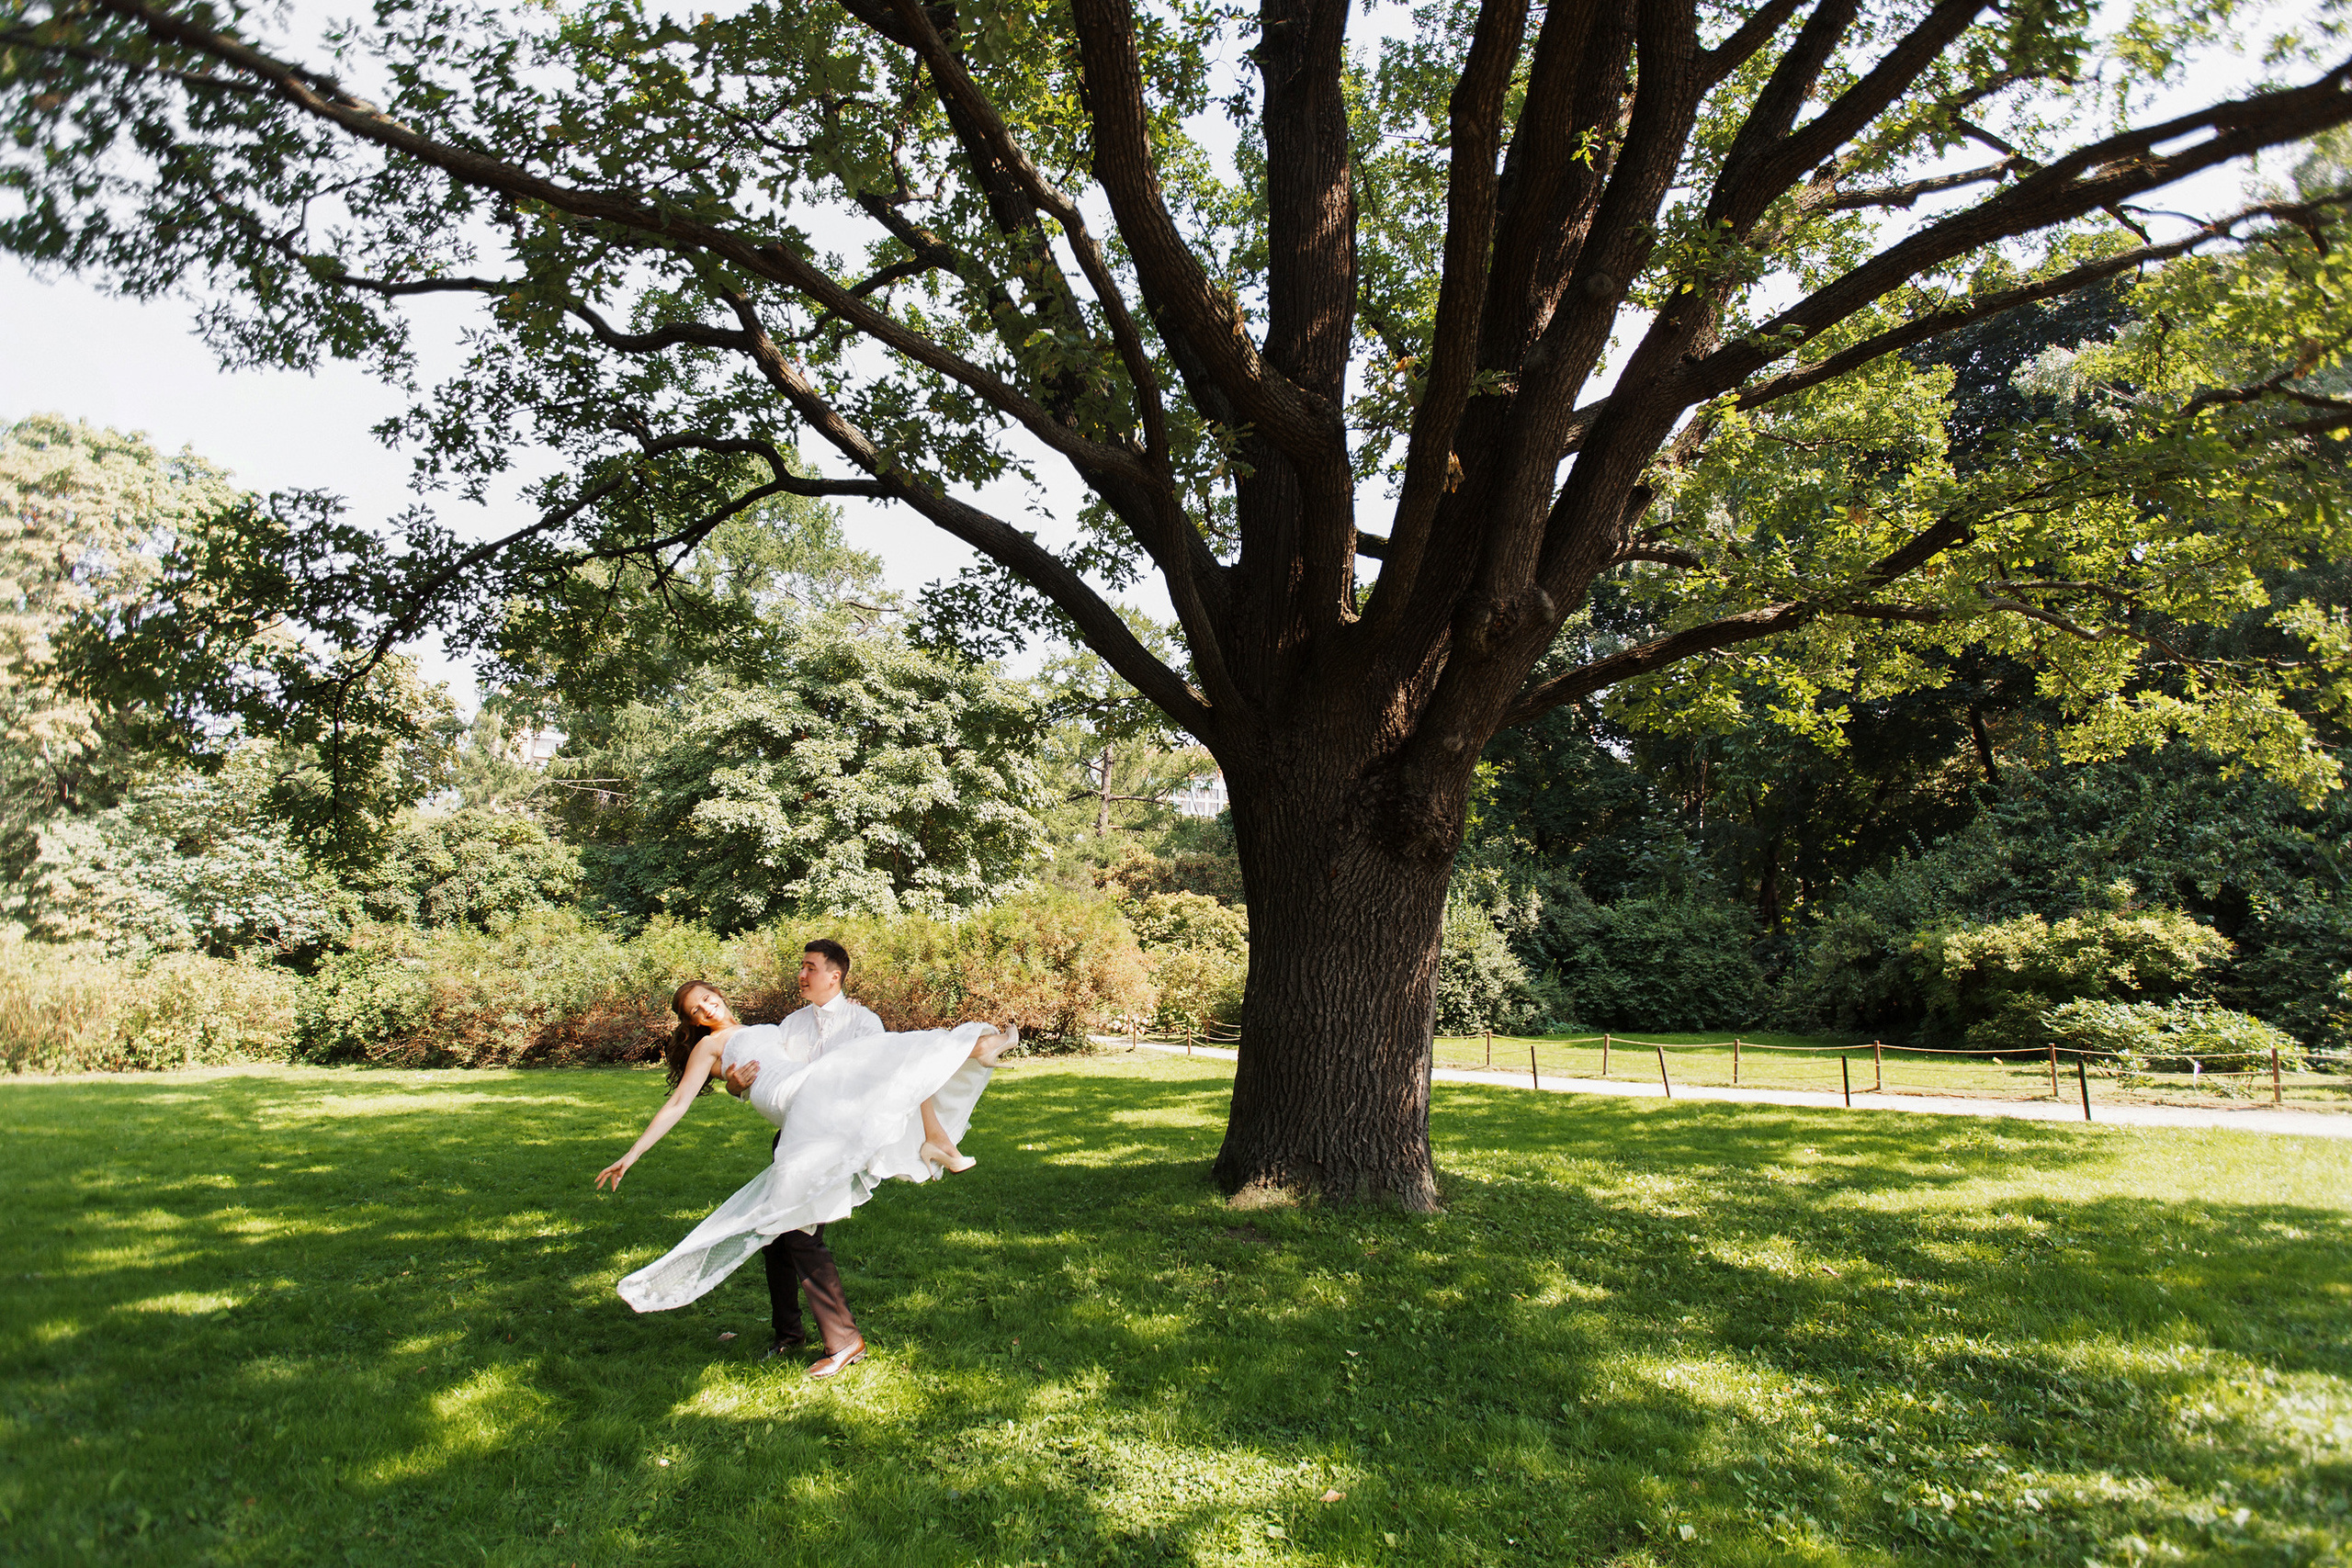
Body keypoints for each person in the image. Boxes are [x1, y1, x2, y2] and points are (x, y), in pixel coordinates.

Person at [594, 941, 1015, 1378]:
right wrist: (635, 1151)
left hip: (816, 1106)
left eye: (706, 997)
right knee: (787, 1231)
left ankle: (811, 1337)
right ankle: (808, 1336)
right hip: (796, 1104)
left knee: (785, 1230)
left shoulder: (782, 1025)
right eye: (694, 1009)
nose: (705, 1007)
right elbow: (679, 1102)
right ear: (692, 1022)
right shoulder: (712, 1046)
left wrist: (738, 1085)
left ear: (718, 994)